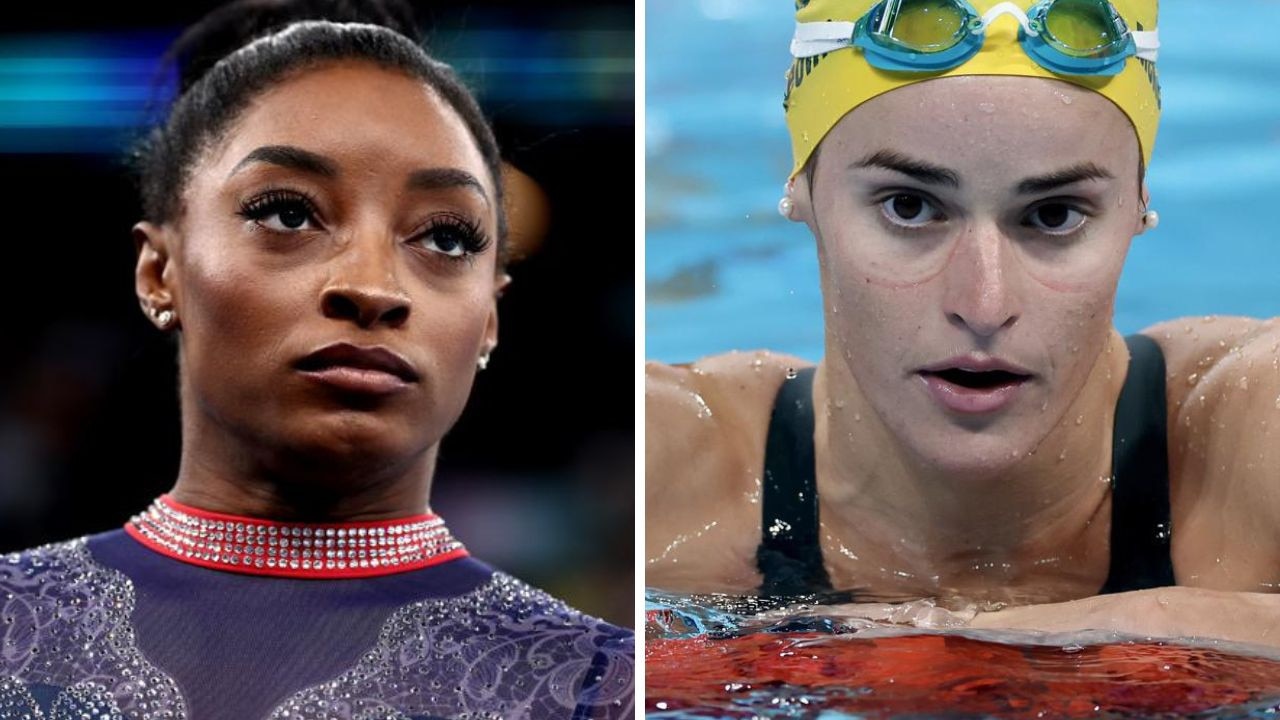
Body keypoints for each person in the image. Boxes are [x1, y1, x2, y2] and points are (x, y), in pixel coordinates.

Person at [0, 1, 634, 717]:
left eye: (447, 239)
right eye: (289, 213)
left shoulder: (599, 687)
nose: (372, 287)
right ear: (159, 272)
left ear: (489, 315)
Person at [647, 0, 1280, 643]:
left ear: (1140, 205)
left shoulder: (1256, 425)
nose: (983, 304)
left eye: (1054, 215)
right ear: (802, 190)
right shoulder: (662, 474)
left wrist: (1137, 621)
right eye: (909, 206)